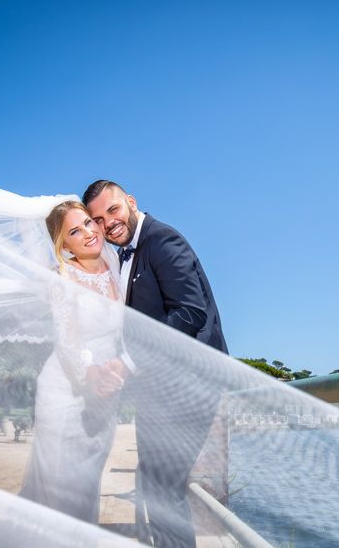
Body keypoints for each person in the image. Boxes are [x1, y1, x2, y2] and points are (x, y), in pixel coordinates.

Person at [83, 180, 227, 548]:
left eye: (112, 210)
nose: (108, 223)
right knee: (153, 485)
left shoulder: (162, 241)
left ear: (130, 202)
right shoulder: (128, 253)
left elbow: (190, 313)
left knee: (162, 488)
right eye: (97, 219)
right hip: (158, 390)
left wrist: (126, 363)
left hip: (190, 385)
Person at [19, 200, 131, 523]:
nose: (88, 233)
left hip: (105, 397)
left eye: (88, 223)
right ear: (63, 244)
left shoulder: (117, 269)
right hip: (65, 393)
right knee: (62, 490)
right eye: (74, 231)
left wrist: (115, 370)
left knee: (87, 484)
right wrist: (92, 373)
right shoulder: (64, 277)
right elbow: (68, 340)